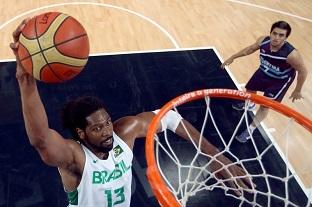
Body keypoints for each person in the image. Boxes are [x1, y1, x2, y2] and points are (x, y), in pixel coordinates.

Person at [11, 19, 252, 207]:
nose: (107, 131)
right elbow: (41, 139)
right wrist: (25, 80)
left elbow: (168, 117)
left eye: (106, 122)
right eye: (97, 128)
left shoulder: (122, 133)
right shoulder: (75, 157)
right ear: (80, 133)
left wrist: (214, 155)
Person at [221, 20, 308, 143]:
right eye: (274, 33)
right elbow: (250, 49)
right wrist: (233, 57)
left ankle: (250, 130)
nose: (276, 38)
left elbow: (303, 71)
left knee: (265, 105)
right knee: (250, 90)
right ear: (270, 33)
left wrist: (297, 89)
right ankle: (250, 103)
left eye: (281, 35)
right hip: (264, 71)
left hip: (279, 81)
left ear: (286, 38)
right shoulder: (264, 41)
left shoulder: (291, 55)